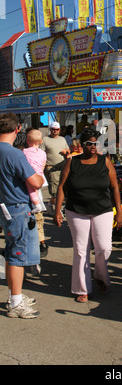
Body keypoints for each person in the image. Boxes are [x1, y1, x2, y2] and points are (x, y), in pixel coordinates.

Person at [54, 128, 122, 302]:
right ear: (81, 145)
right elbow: (62, 186)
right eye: (89, 144)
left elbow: (115, 187)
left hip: (103, 210)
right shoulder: (72, 162)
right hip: (76, 210)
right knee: (81, 250)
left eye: (95, 143)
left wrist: (120, 213)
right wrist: (57, 210)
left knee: (104, 247)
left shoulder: (105, 161)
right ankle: (82, 289)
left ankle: (101, 277)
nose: (93, 146)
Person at [0, 113, 44, 319]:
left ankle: (14, 295)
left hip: (5, 205)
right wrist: (40, 175)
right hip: (17, 206)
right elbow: (34, 181)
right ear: (17, 129)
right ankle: (16, 302)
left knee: (11, 252)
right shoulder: (14, 154)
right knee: (18, 255)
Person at [40, 121, 70, 214]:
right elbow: (41, 154)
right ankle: (58, 210)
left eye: (57, 129)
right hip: (52, 168)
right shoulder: (45, 140)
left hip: (63, 167)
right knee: (55, 191)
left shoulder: (62, 139)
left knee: (63, 189)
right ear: (50, 129)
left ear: (59, 130)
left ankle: (50, 204)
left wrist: (66, 152)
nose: (55, 131)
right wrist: (43, 168)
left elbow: (68, 149)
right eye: (53, 129)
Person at [23, 129, 46, 214]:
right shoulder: (43, 153)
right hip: (39, 175)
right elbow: (43, 164)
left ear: (27, 141)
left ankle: (37, 205)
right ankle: (39, 204)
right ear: (41, 142)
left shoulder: (24, 151)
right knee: (36, 191)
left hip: (30, 175)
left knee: (31, 190)